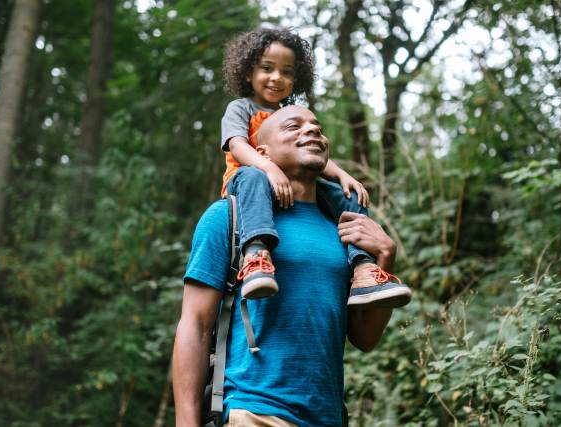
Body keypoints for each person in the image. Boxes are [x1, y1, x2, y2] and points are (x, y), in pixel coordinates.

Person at [173, 105, 403, 426]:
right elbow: (194, 326)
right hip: (255, 411)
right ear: (263, 152)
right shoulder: (227, 217)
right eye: (293, 126)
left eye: (317, 128)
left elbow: (365, 338)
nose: (312, 131)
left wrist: (384, 258)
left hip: (329, 417)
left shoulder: (346, 229)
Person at [220, 27, 411, 307]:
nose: (277, 78)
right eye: (267, 68)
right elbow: (237, 146)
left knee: (349, 196)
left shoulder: (291, 113)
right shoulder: (241, 108)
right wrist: (269, 168)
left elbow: (312, 155)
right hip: (249, 186)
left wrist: (343, 175)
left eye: (287, 72)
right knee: (252, 175)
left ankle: (363, 269)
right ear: (248, 72)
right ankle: (256, 255)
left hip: (293, 186)